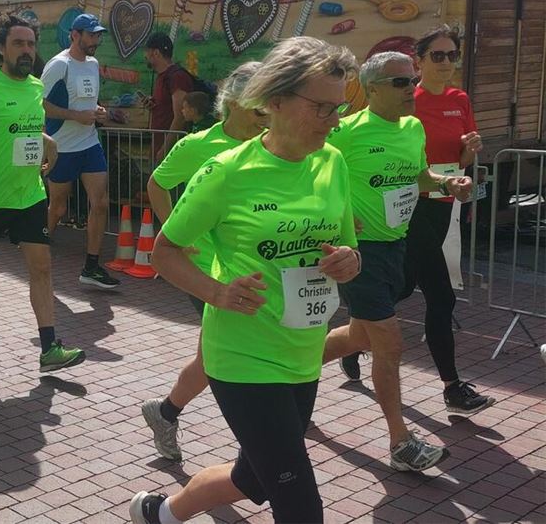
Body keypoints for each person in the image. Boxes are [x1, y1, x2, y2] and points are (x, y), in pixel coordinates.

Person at [130, 36, 361, 524]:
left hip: (303, 353)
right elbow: (165, 252)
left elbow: (345, 246)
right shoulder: (226, 172)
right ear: (275, 100)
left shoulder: (332, 162)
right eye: (322, 108)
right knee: (300, 506)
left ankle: (162, 514)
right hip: (243, 358)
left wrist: (348, 261)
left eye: (338, 109)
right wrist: (216, 292)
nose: (334, 121)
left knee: (254, 478)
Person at [323, 51, 469, 472]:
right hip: (358, 251)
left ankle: (292, 371)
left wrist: (446, 182)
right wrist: (337, 215)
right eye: (401, 82)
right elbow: (309, 174)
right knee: (389, 342)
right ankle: (401, 443)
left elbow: (418, 176)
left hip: (396, 247)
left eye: (413, 79)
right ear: (371, 91)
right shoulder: (345, 132)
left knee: (360, 337)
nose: (412, 88)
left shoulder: (413, 127)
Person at [341, 27, 494, 415]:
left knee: (395, 296)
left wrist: (454, 174)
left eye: (452, 55)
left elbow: (427, 169)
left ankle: (345, 345)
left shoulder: (436, 112)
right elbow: (316, 172)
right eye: (437, 56)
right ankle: (440, 398)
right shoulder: (364, 123)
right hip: (389, 227)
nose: (446, 63)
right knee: (431, 301)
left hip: (429, 212)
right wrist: (338, 215)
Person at [140, 61, 266, 462]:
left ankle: (165, 412)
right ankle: (265, 442)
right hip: (207, 271)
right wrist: (173, 236)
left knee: (212, 356)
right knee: (232, 355)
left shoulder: (275, 145)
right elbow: (157, 184)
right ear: (232, 103)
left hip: (259, 271)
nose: (267, 112)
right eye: (259, 103)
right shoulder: (196, 146)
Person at [0, 14, 84, 372]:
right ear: (1, 48)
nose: (26, 50)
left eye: (31, 44)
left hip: (29, 195)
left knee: (41, 268)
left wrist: (47, 142)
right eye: (18, 44)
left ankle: (49, 347)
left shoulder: (36, 88)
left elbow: (24, 130)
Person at [41, 13, 120, 289]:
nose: (96, 40)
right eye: (91, 35)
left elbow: (88, 98)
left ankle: (91, 266)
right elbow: (40, 105)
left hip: (89, 143)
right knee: (58, 207)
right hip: (61, 146)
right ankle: (37, 249)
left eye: (98, 35)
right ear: (75, 35)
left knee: (100, 203)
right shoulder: (58, 65)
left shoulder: (94, 64)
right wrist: (76, 115)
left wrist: (98, 111)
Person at [144, 33, 194, 161]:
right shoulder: (162, 76)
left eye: (147, 52)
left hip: (172, 152)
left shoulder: (177, 77)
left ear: (155, 53)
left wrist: (165, 150)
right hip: (159, 144)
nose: (145, 56)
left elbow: (180, 117)